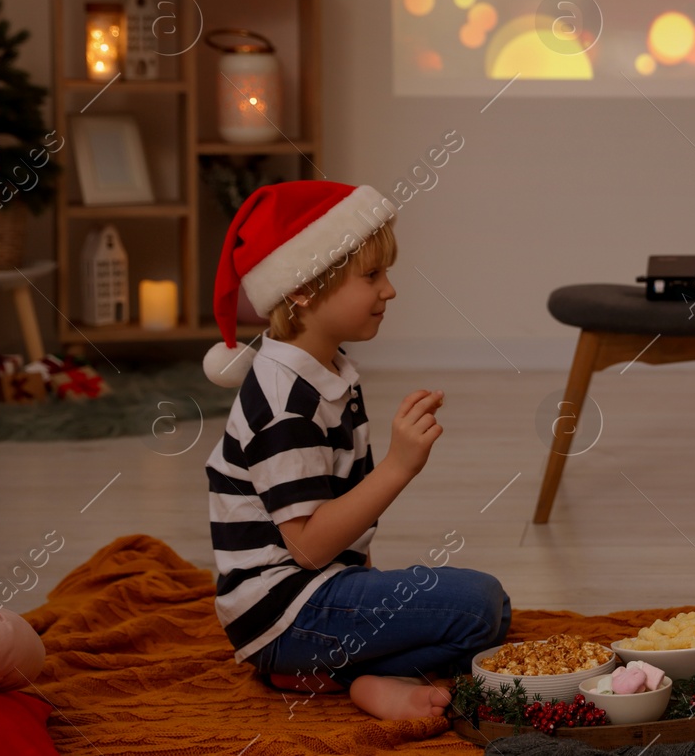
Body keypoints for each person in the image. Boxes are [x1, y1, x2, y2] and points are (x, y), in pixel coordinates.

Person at [203, 181, 508, 720]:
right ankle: (351, 675)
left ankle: (345, 670)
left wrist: (369, 591)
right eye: (372, 276)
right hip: (283, 613)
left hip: (321, 593)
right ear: (302, 288)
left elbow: (343, 527)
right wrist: (399, 465)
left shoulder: (331, 372)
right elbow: (310, 548)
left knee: (493, 610)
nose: (388, 290)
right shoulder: (284, 403)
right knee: (477, 606)